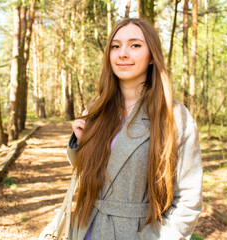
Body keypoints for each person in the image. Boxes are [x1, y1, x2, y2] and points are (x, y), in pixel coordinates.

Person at [66, 18, 202, 240]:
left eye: (135, 45)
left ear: (151, 56)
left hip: (140, 233)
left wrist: (167, 236)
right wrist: (81, 144)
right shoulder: (97, 107)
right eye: (115, 46)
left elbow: (188, 196)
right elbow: (90, 171)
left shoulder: (175, 117)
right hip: (87, 229)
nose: (123, 53)